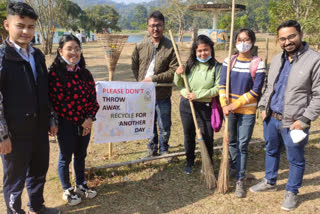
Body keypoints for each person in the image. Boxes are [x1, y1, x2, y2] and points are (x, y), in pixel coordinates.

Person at [249, 20, 320, 211]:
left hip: (295, 123)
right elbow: (269, 87)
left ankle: (292, 192)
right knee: (271, 151)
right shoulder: (277, 58)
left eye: (291, 36)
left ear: (300, 34)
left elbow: (318, 95)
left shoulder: (314, 60)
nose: (287, 41)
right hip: (271, 118)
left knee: (295, 159)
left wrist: (304, 120)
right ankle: (270, 181)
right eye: (282, 39)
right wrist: (263, 107)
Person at [0, 2, 60, 214]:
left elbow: (46, 90)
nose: (26, 31)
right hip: (15, 133)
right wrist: (2, 135)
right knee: (15, 179)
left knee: (38, 171)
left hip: (39, 128)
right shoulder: (2, 57)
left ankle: (36, 207)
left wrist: (51, 119)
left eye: (31, 26)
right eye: (21, 25)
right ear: (7, 25)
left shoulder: (37, 56)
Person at [48, 34, 99, 206]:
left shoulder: (85, 73)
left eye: (77, 49)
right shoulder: (55, 74)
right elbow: (60, 103)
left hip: (86, 122)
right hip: (66, 123)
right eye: (70, 48)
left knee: (80, 154)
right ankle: (67, 188)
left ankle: (81, 184)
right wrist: (81, 120)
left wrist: (90, 118)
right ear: (60, 50)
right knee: (65, 156)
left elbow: (93, 98)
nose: (74, 52)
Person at [219, 28, 266, 198]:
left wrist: (234, 105)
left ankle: (240, 179)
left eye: (246, 39)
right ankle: (232, 167)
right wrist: (225, 104)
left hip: (247, 110)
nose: (242, 43)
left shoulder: (258, 63)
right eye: (239, 39)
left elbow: (255, 91)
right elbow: (222, 84)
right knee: (231, 141)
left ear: (252, 42)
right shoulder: (229, 61)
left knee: (242, 144)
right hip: (229, 109)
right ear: (235, 42)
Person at [131, 11, 178, 156]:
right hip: (145, 94)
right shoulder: (140, 46)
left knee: (164, 124)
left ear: (163, 26)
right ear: (147, 27)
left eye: (158, 25)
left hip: (162, 94)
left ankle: (164, 149)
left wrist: (153, 78)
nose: (155, 29)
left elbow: (173, 71)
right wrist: (141, 82)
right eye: (152, 26)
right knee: (148, 123)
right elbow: (134, 66)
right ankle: (152, 148)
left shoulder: (171, 47)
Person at [174, 35, 221, 174]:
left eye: (205, 50)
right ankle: (189, 161)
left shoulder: (217, 67)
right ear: (195, 51)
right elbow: (179, 84)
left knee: (207, 136)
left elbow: (218, 89)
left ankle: (208, 163)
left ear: (211, 50)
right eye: (199, 51)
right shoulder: (189, 64)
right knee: (188, 135)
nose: (202, 53)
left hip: (205, 107)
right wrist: (178, 74)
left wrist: (198, 95)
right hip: (187, 105)